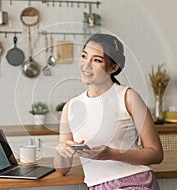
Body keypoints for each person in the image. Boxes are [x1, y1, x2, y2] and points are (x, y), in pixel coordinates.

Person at [54, 33, 163, 190]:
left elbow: (156, 154)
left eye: (97, 60)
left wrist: (112, 154)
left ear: (113, 67)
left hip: (135, 182)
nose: (86, 65)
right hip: (97, 186)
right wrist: (61, 151)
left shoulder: (128, 97)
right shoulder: (70, 107)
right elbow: (62, 169)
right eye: (84, 56)